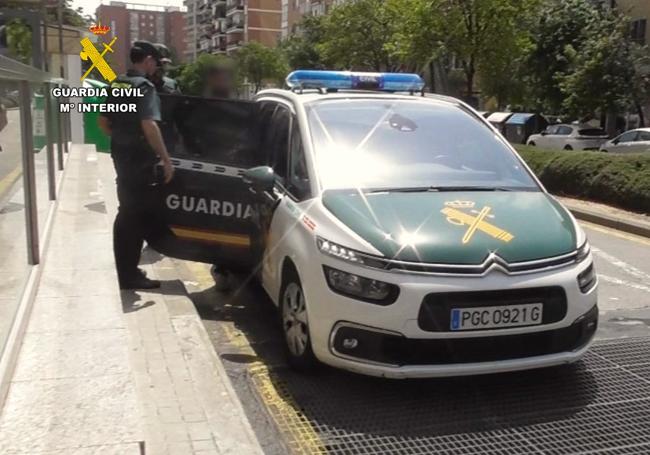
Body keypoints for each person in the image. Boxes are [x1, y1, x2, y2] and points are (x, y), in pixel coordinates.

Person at [98, 40, 174, 290]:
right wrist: (165, 157)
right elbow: (149, 125)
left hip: (121, 157)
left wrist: (123, 139)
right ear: (149, 60)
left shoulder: (117, 83)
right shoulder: (144, 87)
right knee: (135, 216)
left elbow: (103, 122)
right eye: (155, 62)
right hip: (140, 161)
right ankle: (129, 275)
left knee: (127, 212)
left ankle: (127, 270)